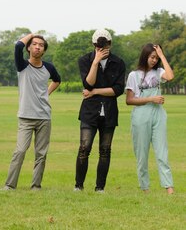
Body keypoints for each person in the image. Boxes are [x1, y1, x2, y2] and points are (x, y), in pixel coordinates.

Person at [2, 33, 61, 191]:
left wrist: (46, 93)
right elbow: (17, 46)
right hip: (26, 117)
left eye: (41, 45)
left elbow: (57, 80)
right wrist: (32, 35)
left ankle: (36, 186)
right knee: (20, 150)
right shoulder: (22, 65)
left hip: (44, 117)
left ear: (43, 50)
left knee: (41, 153)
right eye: (34, 44)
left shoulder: (49, 67)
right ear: (29, 47)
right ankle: (9, 185)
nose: (37, 47)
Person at [75, 29, 126, 193]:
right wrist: (95, 62)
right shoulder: (85, 60)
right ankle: (79, 185)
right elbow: (88, 84)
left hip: (109, 112)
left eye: (104, 44)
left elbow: (118, 90)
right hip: (89, 112)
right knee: (84, 148)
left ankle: (100, 187)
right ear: (93, 44)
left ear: (110, 44)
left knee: (105, 150)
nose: (101, 47)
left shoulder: (118, 63)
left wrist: (96, 92)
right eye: (98, 45)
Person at [125, 43, 175, 194]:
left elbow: (170, 76)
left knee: (162, 152)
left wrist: (162, 55)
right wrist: (151, 99)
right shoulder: (134, 75)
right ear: (145, 56)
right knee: (142, 154)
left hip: (158, 115)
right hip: (141, 115)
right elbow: (129, 100)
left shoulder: (159, 72)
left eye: (156, 57)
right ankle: (145, 188)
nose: (154, 60)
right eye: (152, 57)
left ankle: (169, 188)